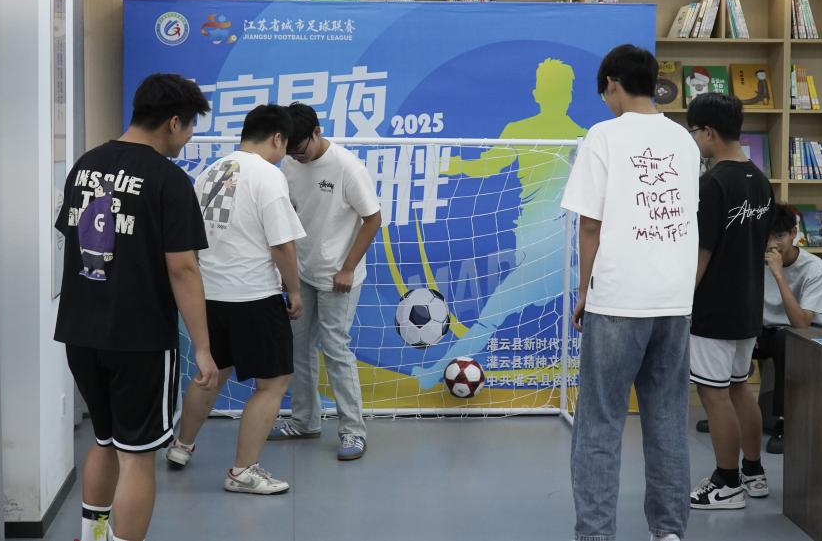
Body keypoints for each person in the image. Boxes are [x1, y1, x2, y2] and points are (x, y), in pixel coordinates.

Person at [54, 73, 219, 541]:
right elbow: (183, 268)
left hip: (81, 332)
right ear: (173, 122)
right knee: (137, 457)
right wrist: (203, 349)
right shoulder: (168, 180)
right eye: (189, 127)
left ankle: (93, 537)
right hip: (139, 338)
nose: (188, 139)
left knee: (104, 441)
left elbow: (74, 236)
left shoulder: (86, 166)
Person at [561, 44, 701, 541]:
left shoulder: (603, 135)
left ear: (612, 84)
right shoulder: (685, 141)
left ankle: (596, 534)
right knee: (667, 421)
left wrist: (584, 290)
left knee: (600, 423)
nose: (606, 101)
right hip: (674, 301)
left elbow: (590, 226)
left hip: (619, 297)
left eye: (605, 92)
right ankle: (669, 531)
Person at [410, 57, 586, 389]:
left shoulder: (580, 138)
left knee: (489, 319)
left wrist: (454, 165)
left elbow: (486, 166)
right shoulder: (562, 135)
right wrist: (456, 164)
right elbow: (488, 165)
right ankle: (431, 375)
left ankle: (430, 376)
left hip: (550, 252)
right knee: (592, 307)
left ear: (543, 93)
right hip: (556, 254)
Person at [167, 104, 306, 494]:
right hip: (254, 295)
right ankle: (243, 471)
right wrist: (294, 290)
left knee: (210, 372)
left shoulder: (209, 172)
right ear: (277, 138)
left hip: (208, 294)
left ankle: (181, 446)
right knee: (273, 383)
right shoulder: (269, 176)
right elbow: (282, 245)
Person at [268, 102, 381, 461]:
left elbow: (373, 219)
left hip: (338, 277)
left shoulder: (347, 167)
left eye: (301, 149)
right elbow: (290, 213)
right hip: (302, 272)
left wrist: (347, 268)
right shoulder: (289, 163)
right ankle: (305, 421)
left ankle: (353, 431)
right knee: (298, 347)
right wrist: (287, 272)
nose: (296, 157)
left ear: (317, 132)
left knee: (335, 349)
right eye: (290, 151)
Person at [686, 92, 776, 511]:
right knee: (741, 388)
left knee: (714, 395)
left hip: (714, 309)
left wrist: (683, 303)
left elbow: (701, 254)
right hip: (748, 305)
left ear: (708, 132)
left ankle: (726, 483)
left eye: (694, 132)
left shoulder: (712, 183)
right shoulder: (760, 179)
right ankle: (753, 473)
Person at [757, 203, 822, 454]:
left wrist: (779, 274)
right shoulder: (756, 259)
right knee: (730, 334)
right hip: (769, 329)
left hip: (811, 334)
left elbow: (801, 324)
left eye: (779, 236)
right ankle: (726, 410)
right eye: (767, 236)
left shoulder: (814, 268)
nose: (772, 244)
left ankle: (784, 422)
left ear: (794, 233)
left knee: (785, 340)